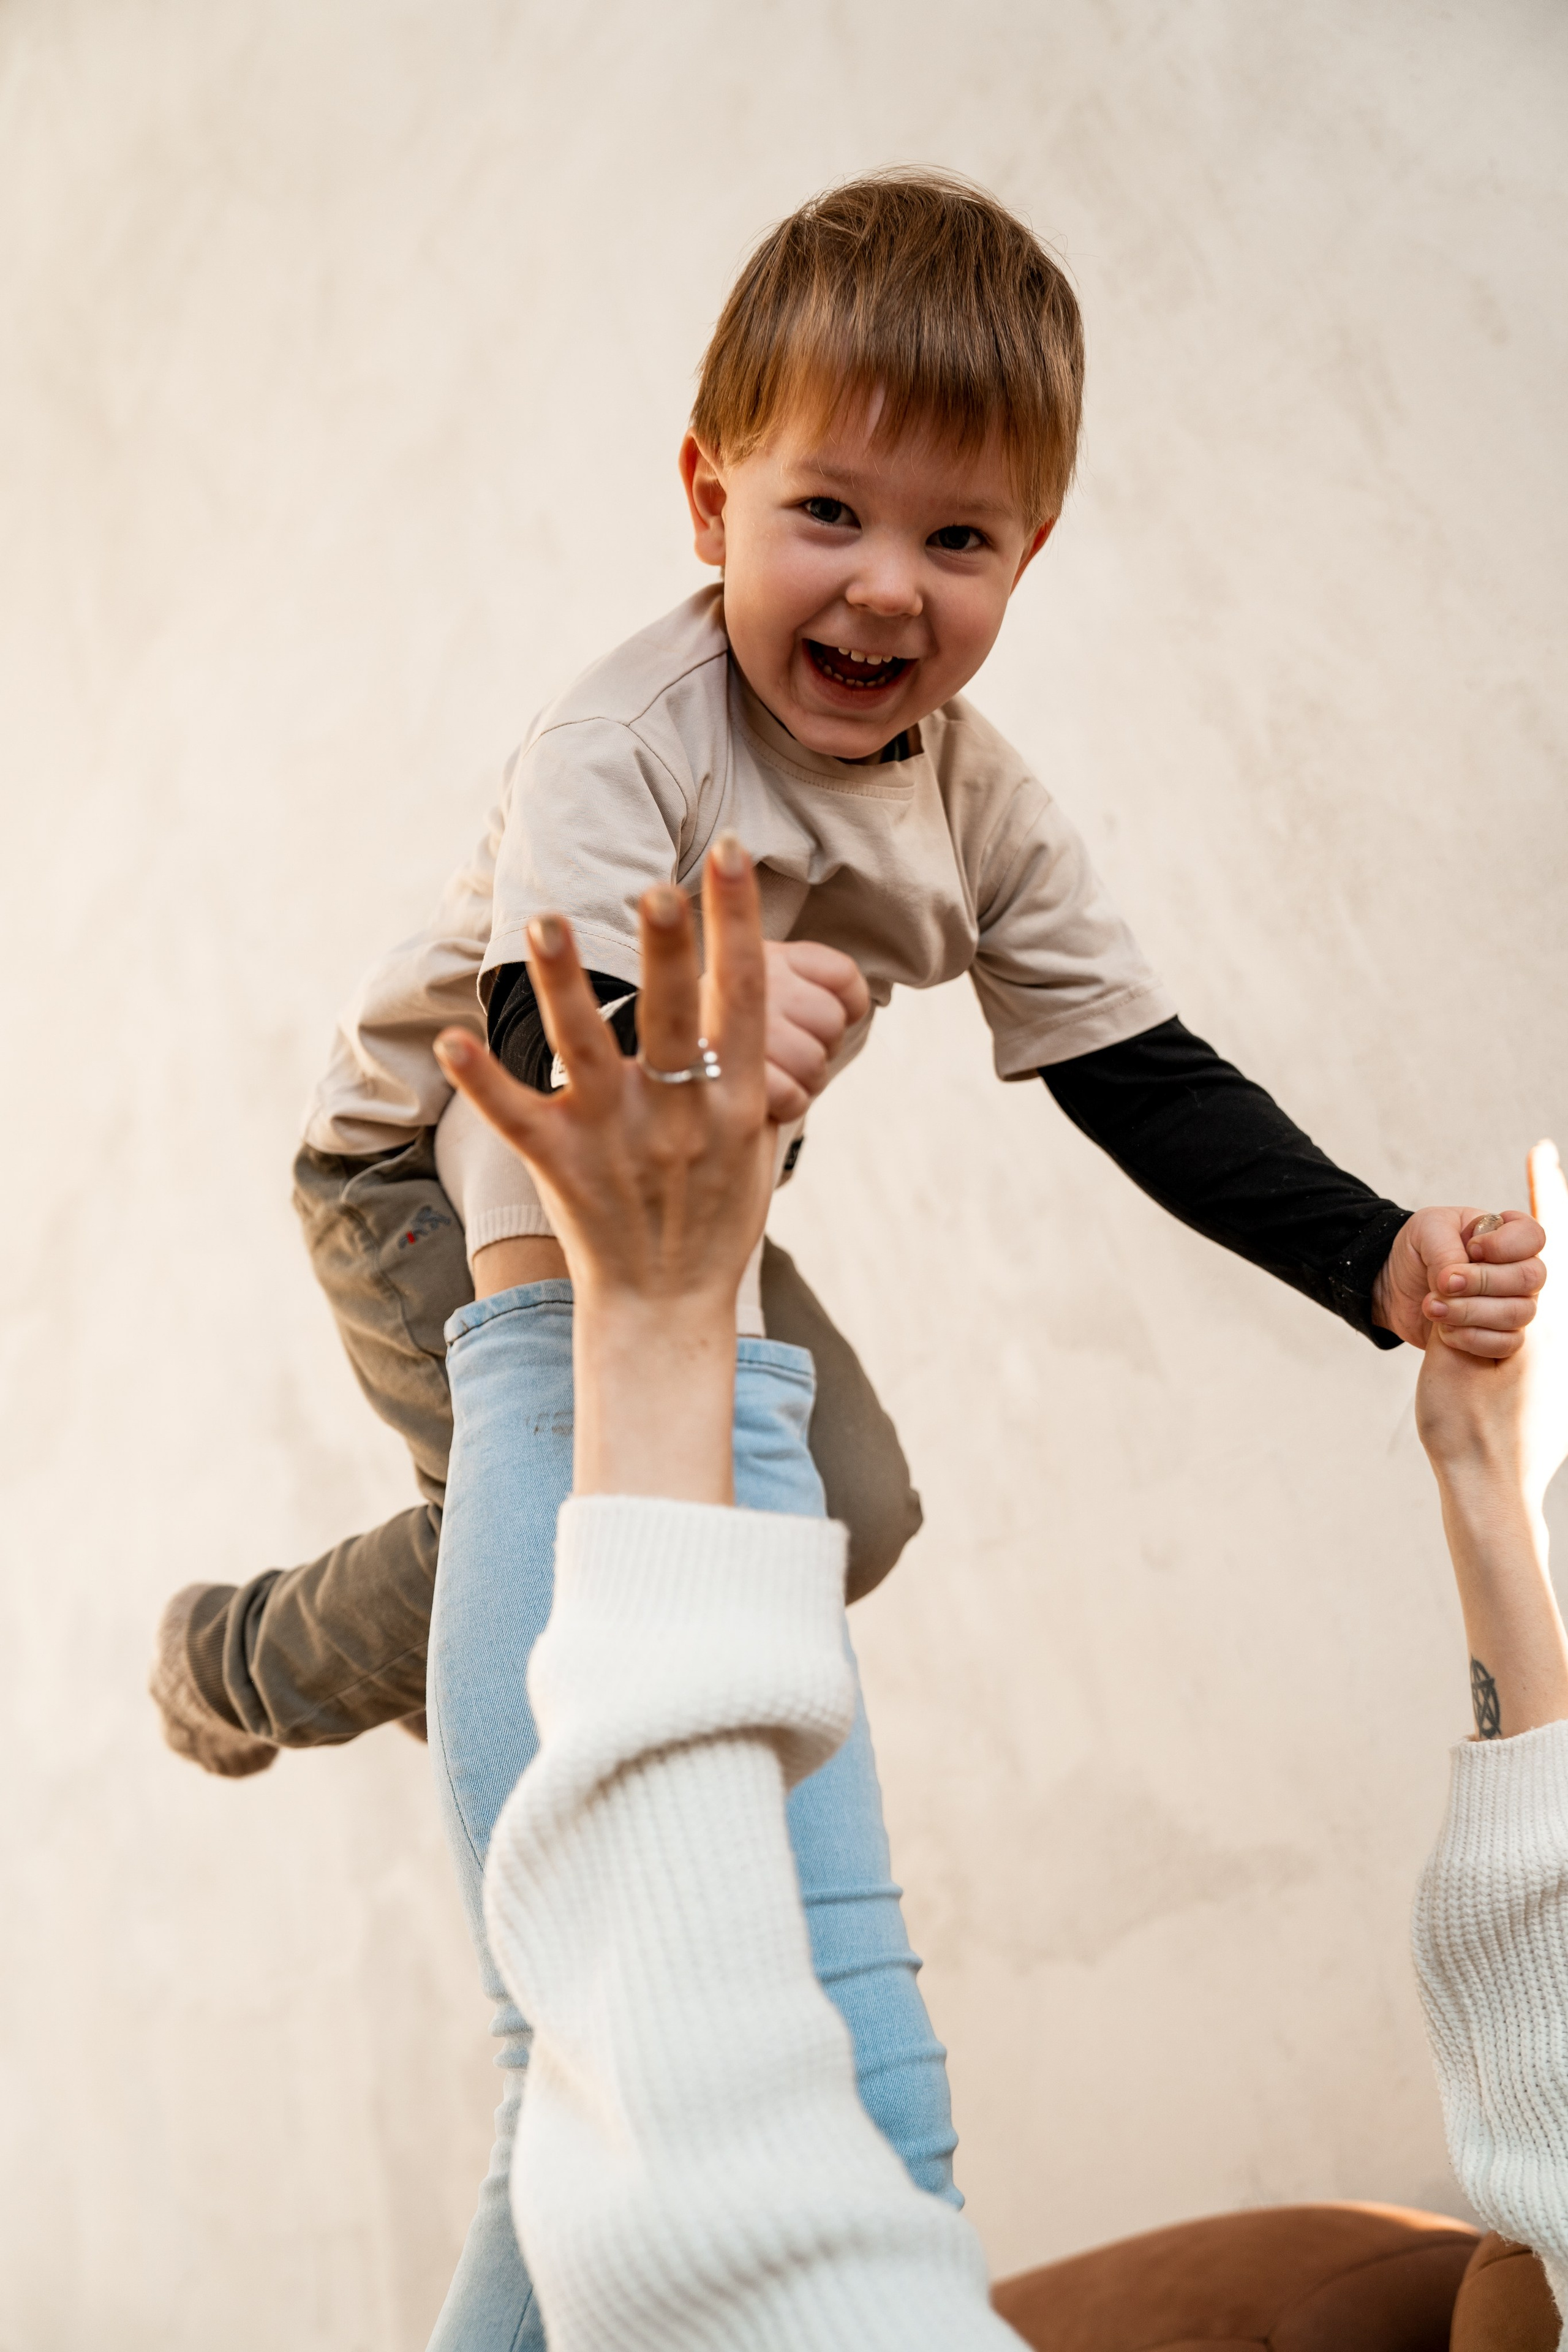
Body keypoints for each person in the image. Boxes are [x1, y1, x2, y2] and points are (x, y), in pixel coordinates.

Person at [150, 168, 1545, 1786]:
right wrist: (706, 1035)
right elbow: (540, 1036)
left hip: (688, 1193)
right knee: (561, 1520)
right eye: (829, 513)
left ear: (1027, 554)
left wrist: (1371, 1256)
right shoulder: (625, 740)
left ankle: (477, 1627)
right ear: (710, 499)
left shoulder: (980, 807)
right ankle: (242, 1661)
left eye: (956, 538)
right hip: (433, 1156)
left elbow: (1140, 1075)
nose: (887, 585)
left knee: (847, 1518)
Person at [435, 857, 1568, 2349]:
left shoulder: (978, 822)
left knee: (618, 2062)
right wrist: (1484, 1483)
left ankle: (301, 1631)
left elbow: (715, 2214)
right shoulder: (619, 768)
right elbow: (1541, 2059)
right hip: (465, 1225)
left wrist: (653, 1317)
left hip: (560, 1297)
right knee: (715, 2086)